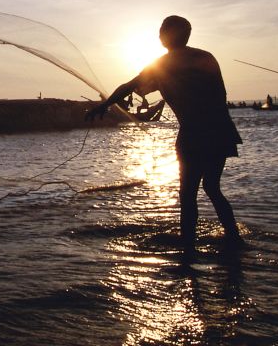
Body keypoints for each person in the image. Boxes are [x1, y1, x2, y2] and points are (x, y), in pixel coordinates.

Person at [86, 15, 242, 251]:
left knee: (188, 194)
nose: (158, 35)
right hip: (220, 130)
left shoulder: (163, 65)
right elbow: (219, 95)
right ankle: (234, 240)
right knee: (212, 188)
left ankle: (188, 248)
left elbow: (129, 86)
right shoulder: (205, 57)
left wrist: (102, 106)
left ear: (169, 35)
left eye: (161, 31)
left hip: (194, 135)